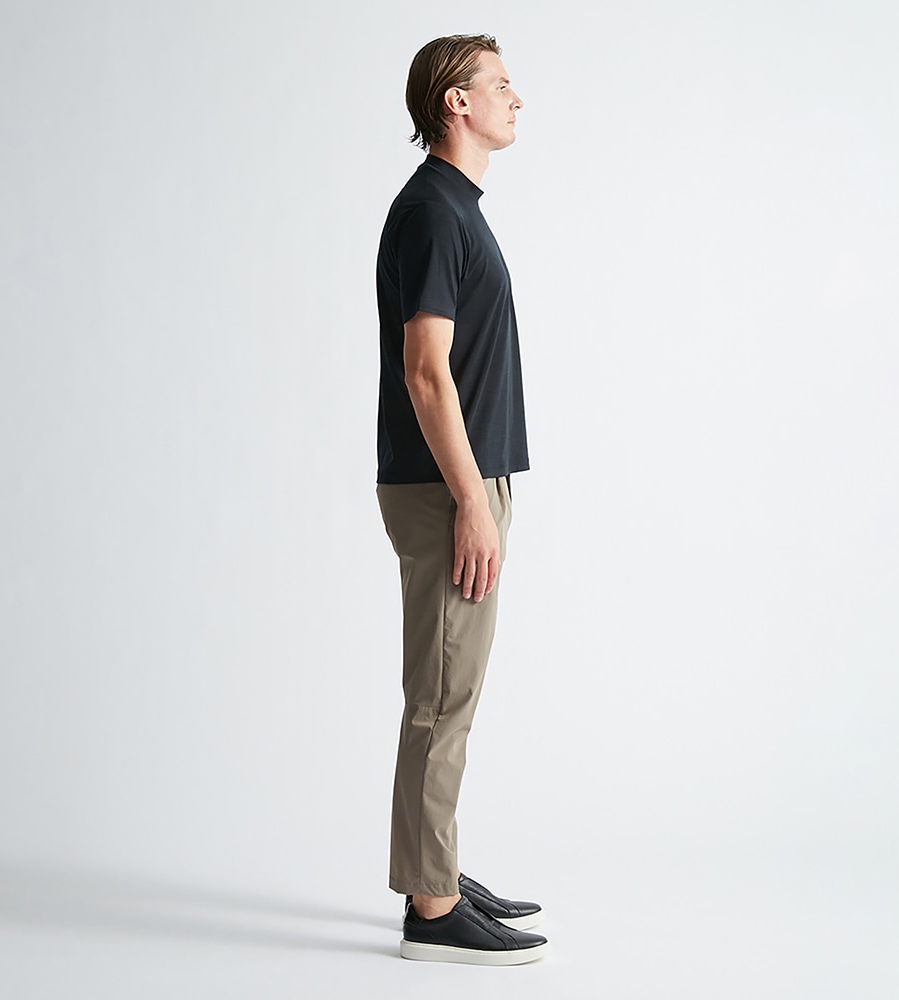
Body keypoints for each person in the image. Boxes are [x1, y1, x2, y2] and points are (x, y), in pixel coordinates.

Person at [374, 34, 549, 966]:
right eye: (501, 84)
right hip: (449, 488)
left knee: (448, 692)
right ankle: (432, 912)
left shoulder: (451, 208)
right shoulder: (435, 212)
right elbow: (425, 371)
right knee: (442, 700)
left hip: (461, 483)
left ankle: (431, 869)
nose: (516, 99)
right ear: (456, 101)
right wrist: (472, 502)